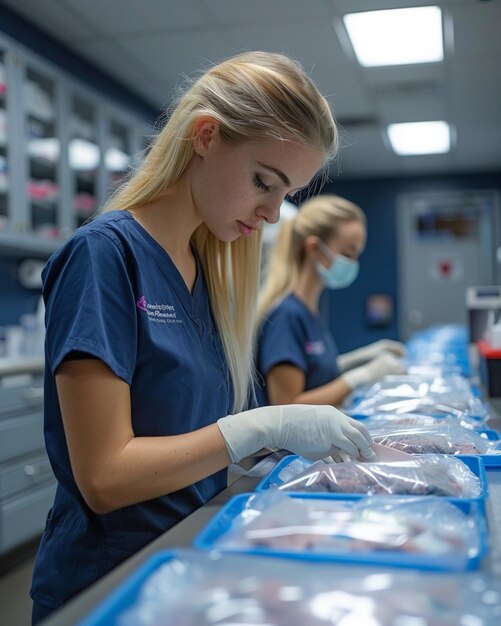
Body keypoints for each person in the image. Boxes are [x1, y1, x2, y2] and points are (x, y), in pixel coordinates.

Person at [30, 52, 377, 623]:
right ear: (206, 136)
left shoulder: (205, 268)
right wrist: (266, 423)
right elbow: (104, 477)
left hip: (189, 560)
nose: (270, 214)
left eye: (285, 195)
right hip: (109, 585)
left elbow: (194, 436)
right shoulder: (104, 256)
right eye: (263, 181)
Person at [256, 194, 406, 408]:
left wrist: (361, 358)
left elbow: (316, 372)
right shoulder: (287, 315)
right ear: (315, 248)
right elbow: (286, 404)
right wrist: (362, 376)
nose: (353, 263)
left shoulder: (308, 310)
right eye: (348, 252)